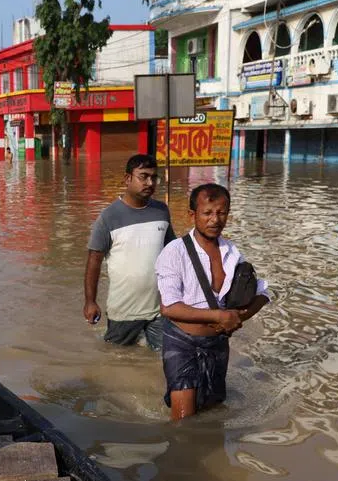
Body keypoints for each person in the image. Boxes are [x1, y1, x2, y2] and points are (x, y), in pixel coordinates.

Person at [154, 183, 269, 421]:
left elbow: (263, 292)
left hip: (217, 344)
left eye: (221, 212)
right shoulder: (174, 251)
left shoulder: (232, 252)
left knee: (214, 412)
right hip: (181, 343)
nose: (215, 220)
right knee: (184, 422)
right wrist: (219, 316)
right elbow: (169, 307)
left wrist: (238, 317)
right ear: (192, 215)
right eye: (207, 213)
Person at [84, 154, 176, 350]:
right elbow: (94, 261)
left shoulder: (162, 211)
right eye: (143, 176)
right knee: (117, 359)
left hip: (159, 310)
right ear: (127, 179)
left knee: (163, 359)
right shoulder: (108, 217)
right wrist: (90, 302)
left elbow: (173, 253)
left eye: (154, 177)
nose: (150, 182)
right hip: (123, 311)